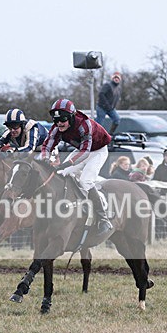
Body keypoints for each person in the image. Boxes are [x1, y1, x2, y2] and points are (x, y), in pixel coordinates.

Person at [39, 98, 113, 235]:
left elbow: (86, 151)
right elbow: (47, 145)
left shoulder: (84, 125)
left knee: (85, 181)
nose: (59, 123)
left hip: (98, 150)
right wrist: (45, 159)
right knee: (62, 174)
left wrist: (67, 163)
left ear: (71, 117)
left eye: (63, 119)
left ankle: (104, 219)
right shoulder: (57, 128)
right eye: (56, 120)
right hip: (82, 150)